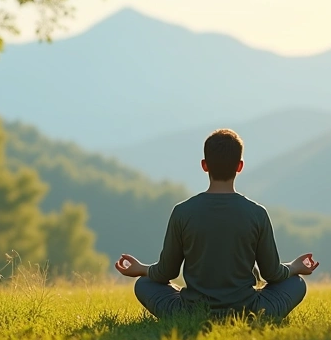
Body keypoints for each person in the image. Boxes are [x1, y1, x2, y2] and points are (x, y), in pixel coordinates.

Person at [115, 128, 319, 319]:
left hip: (190, 311)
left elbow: (165, 273)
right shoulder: (257, 213)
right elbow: (273, 273)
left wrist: (140, 268)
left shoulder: (182, 212)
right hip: (248, 310)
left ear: (204, 165)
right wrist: (295, 267)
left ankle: (190, 312)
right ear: (240, 166)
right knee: (296, 283)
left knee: (144, 284)